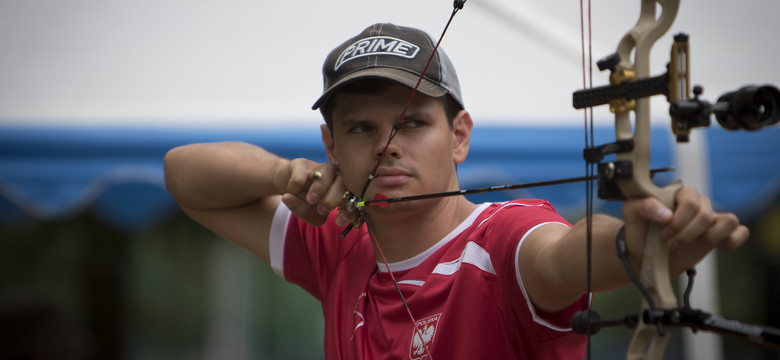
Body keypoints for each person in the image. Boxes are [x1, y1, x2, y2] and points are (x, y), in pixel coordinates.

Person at [163, 23, 748, 359]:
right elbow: (185, 176)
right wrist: (279, 174)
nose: (387, 145)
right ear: (332, 146)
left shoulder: (502, 239)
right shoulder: (337, 242)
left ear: (459, 136)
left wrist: (638, 241)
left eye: (412, 123)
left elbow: (564, 253)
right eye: (361, 128)